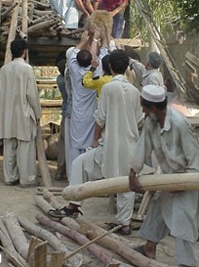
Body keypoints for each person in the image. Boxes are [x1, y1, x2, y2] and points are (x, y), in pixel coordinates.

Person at [48, 49, 144, 236]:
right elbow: (139, 120)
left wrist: (94, 140)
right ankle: (124, 223)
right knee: (126, 182)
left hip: (108, 145)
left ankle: (74, 204)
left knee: (79, 164)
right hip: (130, 145)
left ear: (109, 66)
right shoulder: (134, 91)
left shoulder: (108, 89)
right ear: (125, 68)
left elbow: (100, 118)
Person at [128, 85, 199, 267]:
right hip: (168, 177)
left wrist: (183, 184)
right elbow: (142, 147)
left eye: (144, 106)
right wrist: (132, 174)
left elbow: (194, 158)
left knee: (184, 220)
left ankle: (187, 263)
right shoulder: (151, 122)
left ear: (153, 107)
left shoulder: (180, 124)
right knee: (158, 207)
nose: (142, 109)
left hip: (188, 177)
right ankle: (149, 247)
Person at [0, 38, 42, 188]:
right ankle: (26, 179)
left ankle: (9, 177)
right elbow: (31, 94)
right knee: (25, 146)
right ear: (24, 52)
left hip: (7, 112)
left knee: (9, 144)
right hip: (23, 112)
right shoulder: (27, 69)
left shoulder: (4, 69)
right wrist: (37, 113)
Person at [67, 27, 109, 175]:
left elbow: (72, 54)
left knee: (75, 145)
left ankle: (74, 175)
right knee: (89, 146)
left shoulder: (74, 69)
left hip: (77, 114)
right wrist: (100, 37)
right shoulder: (96, 72)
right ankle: (88, 176)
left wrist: (83, 41)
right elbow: (102, 54)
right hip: (91, 115)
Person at [54, 58, 68, 181]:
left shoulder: (59, 79)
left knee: (63, 142)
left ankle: (60, 170)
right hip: (72, 113)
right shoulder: (67, 81)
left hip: (65, 111)